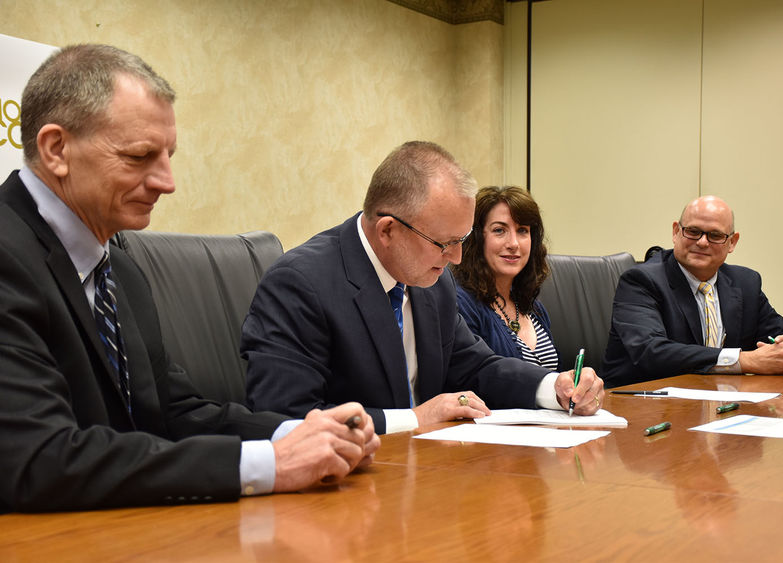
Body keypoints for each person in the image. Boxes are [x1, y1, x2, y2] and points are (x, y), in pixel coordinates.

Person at [0, 44, 378, 513]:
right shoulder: (6, 256)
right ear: (56, 149)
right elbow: (38, 459)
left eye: (169, 155)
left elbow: (175, 412)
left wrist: (302, 435)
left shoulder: (121, 270)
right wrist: (269, 464)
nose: (167, 181)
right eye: (140, 156)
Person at [241, 141, 605, 435]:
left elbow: (476, 366)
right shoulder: (301, 284)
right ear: (387, 231)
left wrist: (554, 388)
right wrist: (416, 418)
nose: (459, 258)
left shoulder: (433, 280)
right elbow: (286, 418)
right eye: (444, 242)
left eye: (462, 239)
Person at [601, 195, 783, 387]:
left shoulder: (746, 283)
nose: (702, 242)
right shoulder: (641, 281)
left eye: (715, 235)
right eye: (693, 231)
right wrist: (744, 360)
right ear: (676, 232)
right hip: (644, 404)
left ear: (732, 242)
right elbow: (650, 351)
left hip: (719, 403)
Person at [451, 186, 559, 370]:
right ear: (477, 238)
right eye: (499, 230)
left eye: (522, 231)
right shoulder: (461, 304)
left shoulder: (533, 307)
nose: (514, 244)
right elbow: (477, 377)